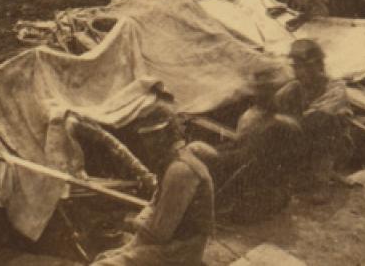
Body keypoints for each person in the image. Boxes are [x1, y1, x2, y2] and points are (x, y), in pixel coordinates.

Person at [91, 114, 214, 266]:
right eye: (146, 137)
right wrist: (133, 241)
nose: (147, 143)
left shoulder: (181, 170)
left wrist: (133, 224)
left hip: (180, 251)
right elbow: (154, 204)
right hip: (168, 244)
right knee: (103, 257)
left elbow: (159, 233)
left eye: (153, 136)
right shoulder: (170, 164)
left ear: (167, 136)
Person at [211, 67, 302, 223]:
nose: (257, 94)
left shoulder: (276, 126)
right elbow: (241, 147)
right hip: (259, 177)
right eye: (257, 90)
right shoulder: (256, 114)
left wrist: (214, 155)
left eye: (264, 91)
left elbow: (247, 164)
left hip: (262, 193)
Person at [274, 39, 353, 196]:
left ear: (318, 66)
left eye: (305, 66)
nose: (300, 72)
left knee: (325, 122)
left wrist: (286, 124)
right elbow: (274, 106)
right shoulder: (294, 88)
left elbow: (316, 118)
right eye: (296, 67)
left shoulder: (335, 88)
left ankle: (321, 182)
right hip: (302, 138)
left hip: (336, 146)